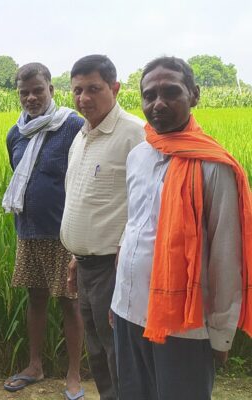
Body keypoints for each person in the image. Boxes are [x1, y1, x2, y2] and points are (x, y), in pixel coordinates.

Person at [110, 56, 252, 400]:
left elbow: (225, 254)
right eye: (149, 95)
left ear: (194, 94)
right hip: (128, 311)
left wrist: (220, 334)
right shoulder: (139, 155)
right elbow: (133, 228)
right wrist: (118, 299)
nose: (158, 103)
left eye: (170, 92)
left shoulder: (212, 166)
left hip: (186, 325)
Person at [60, 55, 145, 400]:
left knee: (119, 352)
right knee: (96, 350)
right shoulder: (82, 135)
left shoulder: (134, 134)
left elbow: (145, 204)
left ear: (115, 88)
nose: (84, 98)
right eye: (77, 90)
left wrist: (121, 256)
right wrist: (76, 255)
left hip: (115, 266)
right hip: (86, 264)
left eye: (93, 89)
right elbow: (87, 202)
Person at [2, 62, 85, 399]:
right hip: (28, 230)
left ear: (52, 89)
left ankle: (74, 375)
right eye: (25, 92)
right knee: (35, 298)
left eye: (38, 90)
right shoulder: (15, 134)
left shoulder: (72, 126)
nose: (31, 97)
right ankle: (35, 366)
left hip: (64, 232)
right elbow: (19, 172)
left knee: (70, 302)